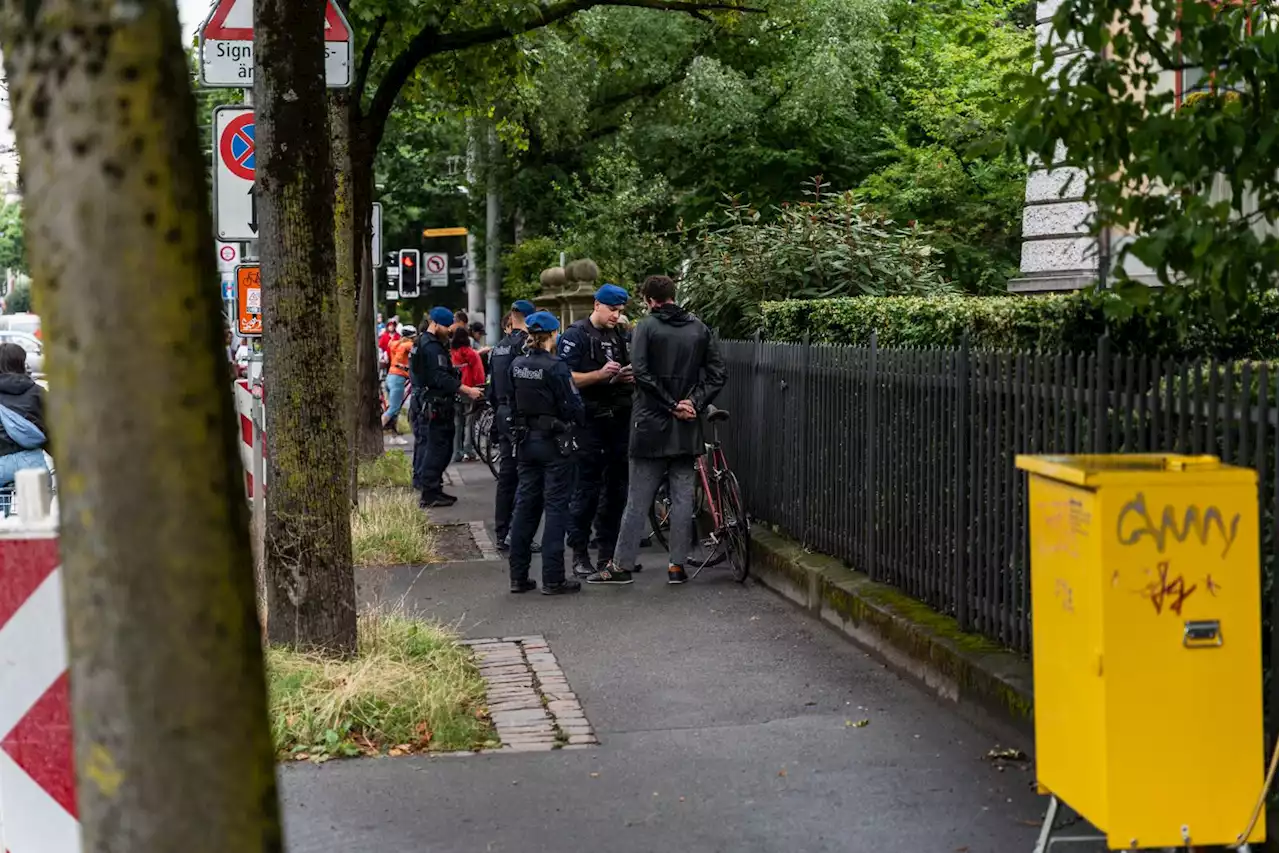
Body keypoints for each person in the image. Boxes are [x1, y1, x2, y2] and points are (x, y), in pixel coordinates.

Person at [587, 275, 726, 586]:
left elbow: (642, 374)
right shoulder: (699, 328)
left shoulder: (646, 328)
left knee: (637, 499)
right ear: (673, 296)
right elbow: (718, 374)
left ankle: (621, 565)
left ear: (649, 300)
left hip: (650, 424)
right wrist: (692, 402)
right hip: (686, 427)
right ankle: (677, 566)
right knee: (682, 500)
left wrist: (669, 404)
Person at [560, 284, 634, 579]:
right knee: (586, 490)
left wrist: (623, 377)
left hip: (616, 419)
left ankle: (607, 554)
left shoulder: (618, 336)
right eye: (613, 310)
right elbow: (564, 378)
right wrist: (600, 376)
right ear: (597, 305)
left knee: (616, 490)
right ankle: (579, 552)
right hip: (587, 422)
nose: (617, 315)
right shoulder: (575, 335)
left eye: (620, 311)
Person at [507, 311, 584, 595]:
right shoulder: (556, 367)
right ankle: (553, 578)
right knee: (556, 508)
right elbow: (573, 404)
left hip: (526, 442)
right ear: (553, 334)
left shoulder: (516, 364)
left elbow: (507, 398)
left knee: (525, 507)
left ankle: (518, 576)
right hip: (554, 443)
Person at [411, 307, 483, 508]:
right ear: (435, 324)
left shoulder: (423, 343)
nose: (449, 330)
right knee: (436, 450)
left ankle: (434, 489)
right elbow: (439, 377)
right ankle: (430, 493)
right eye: (446, 326)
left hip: (431, 403)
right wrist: (466, 390)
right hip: (434, 405)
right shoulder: (432, 347)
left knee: (440, 449)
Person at [490, 300, 538, 550]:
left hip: (502, 411)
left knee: (507, 477)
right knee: (525, 477)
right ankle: (518, 536)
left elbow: (492, 388)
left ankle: (502, 533)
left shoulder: (499, 347)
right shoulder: (524, 347)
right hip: (520, 416)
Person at [0, 342, 48, 485]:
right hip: (32, 462)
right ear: (21, 363)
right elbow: (52, 428)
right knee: (41, 501)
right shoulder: (37, 392)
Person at [451, 325, 485, 462]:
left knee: (457, 422)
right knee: (470, 422)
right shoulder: (471, 354)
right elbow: (478, 373)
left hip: (456, 389)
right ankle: (468, 450)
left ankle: (456, 452)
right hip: (470, 389)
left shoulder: (452, 353)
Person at [382, 325, 416, 433]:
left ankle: (394, 437)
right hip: (398, 379)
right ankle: (377, 431)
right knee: (393, 409)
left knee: (393, 409)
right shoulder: (409, 345)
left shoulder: (395, 344)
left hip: (390, 377)